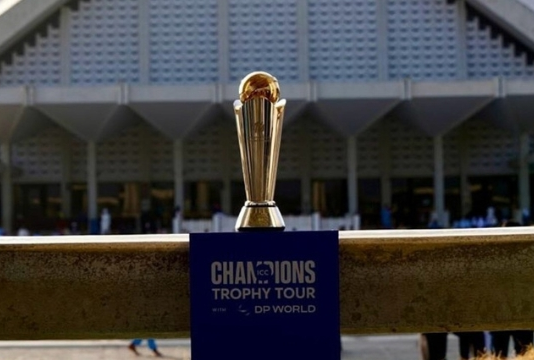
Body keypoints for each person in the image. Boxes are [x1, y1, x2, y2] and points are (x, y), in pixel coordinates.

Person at [490, 220, 534, 358]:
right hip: (521, 311)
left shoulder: (495, 257)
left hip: (500, 312)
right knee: (524, 352)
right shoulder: (527, 256)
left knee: (499, 353)